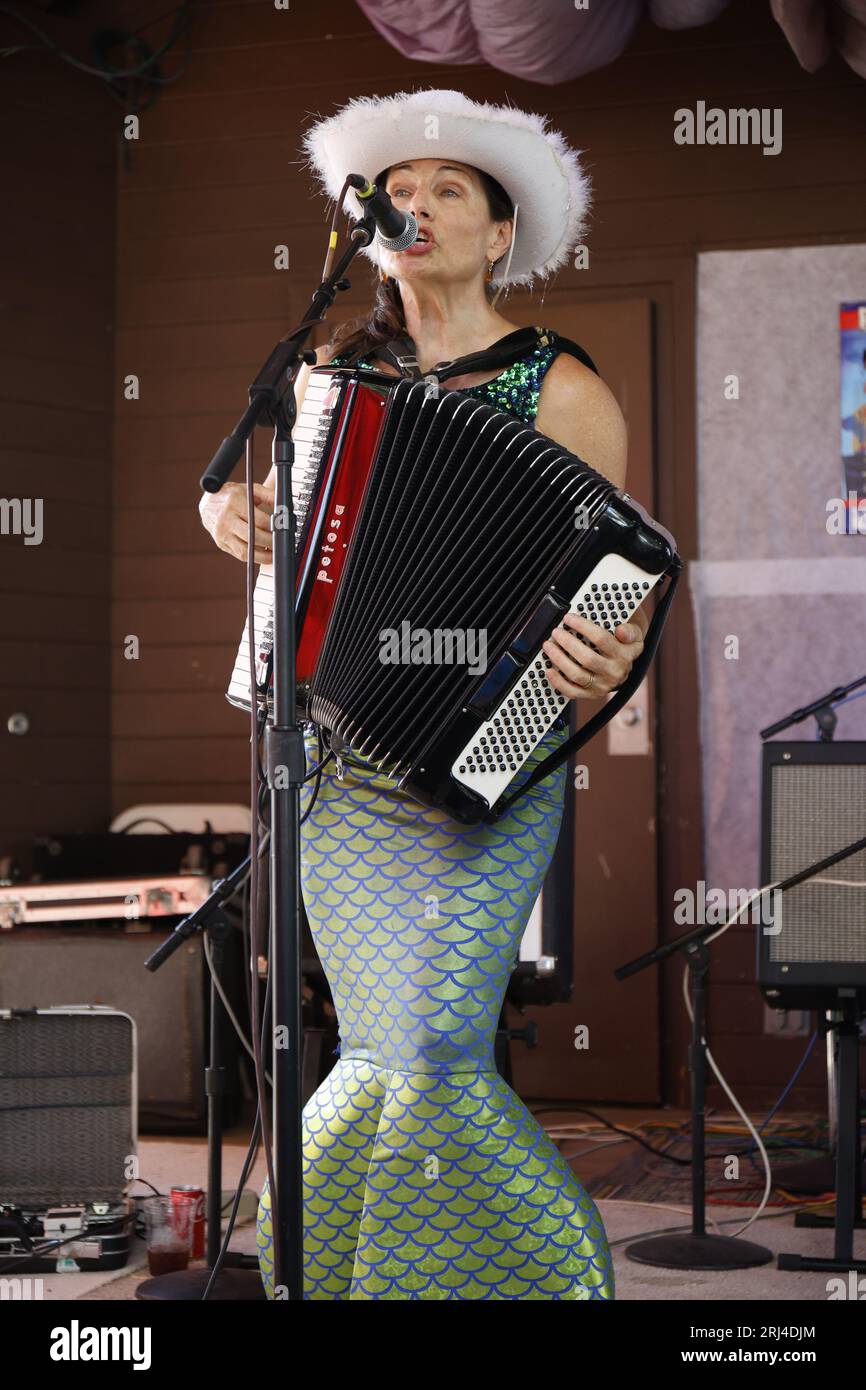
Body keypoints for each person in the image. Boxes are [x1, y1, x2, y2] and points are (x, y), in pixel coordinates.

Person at [200, 88, 649, 1300]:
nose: (420, 202)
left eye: (453, 188)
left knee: (438, 1045)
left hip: (477, 765)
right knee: (379, 1044)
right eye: (402, 188)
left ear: (501, 234)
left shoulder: (560, 388)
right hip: (342, 765)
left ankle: (547, 1287)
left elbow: (611, 579)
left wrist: (607, 646)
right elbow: (254, 508)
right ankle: (344, 1278)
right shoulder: (329, 373)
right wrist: (222, 510)